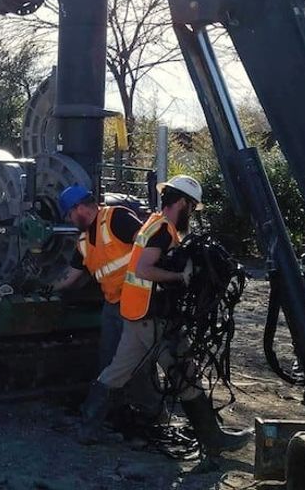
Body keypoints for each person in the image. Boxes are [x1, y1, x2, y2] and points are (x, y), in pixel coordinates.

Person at [78, 175, 252, 454]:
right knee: (184, 373)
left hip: (136, 313)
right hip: (153, 317)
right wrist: (179, 276)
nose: (192, 213)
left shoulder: (154, 224)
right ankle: (213, 439)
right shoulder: (161, 230)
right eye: (192, 207)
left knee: (116, 372)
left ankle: (87, 427)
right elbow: (144, 270)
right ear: (181, 202)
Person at [50, 185, 166, 426]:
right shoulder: (84, 242)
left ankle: (153, 414)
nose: (71, 221)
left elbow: (148, 244)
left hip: (137, 305)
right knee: (108, 361)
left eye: (70, 215)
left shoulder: (116, 218)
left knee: (138, 364)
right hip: (113, 306)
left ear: (79, 208)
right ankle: (115, 412)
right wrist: (45, 288)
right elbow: (70, 276)